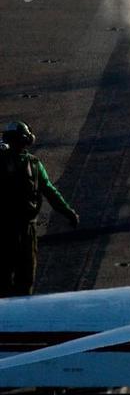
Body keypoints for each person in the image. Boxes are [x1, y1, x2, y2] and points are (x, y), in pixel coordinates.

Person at [0, 120, 79, 297]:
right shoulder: (33, 164)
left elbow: (50, 191)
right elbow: (50, 191)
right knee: (25, 278)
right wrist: (68, 212)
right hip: (25, 229)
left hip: (8, 229)